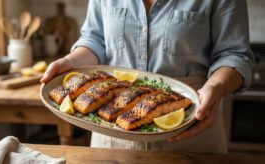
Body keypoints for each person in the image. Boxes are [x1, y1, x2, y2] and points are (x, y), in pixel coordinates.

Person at [41, 0, 254, 153]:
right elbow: (95, 40)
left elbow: (234, 55)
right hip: (112, 129)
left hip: (189, 125)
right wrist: (70, 62)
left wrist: (214, 88)